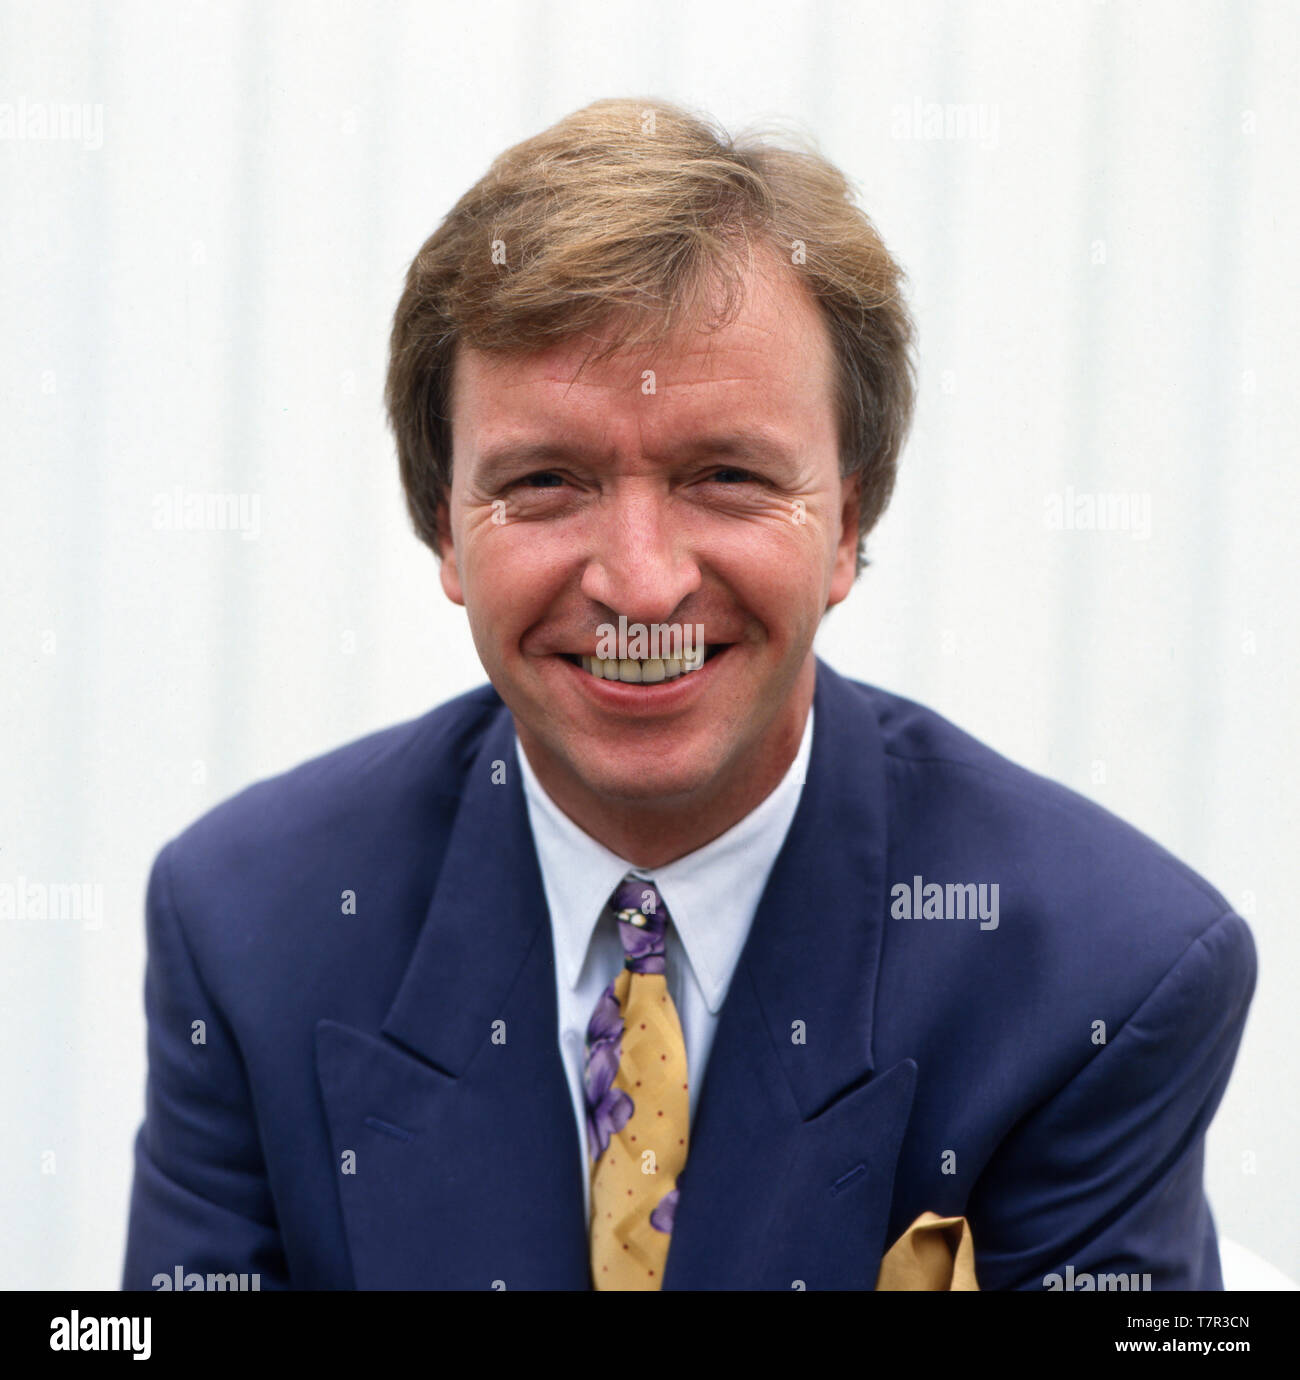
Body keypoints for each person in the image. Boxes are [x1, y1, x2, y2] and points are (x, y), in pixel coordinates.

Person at [122, 97, 1256, 1291]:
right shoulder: (249, 926)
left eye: (725, 475)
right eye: (547, 481)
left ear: (845, 525)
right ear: (444, 530)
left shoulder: (1108, 971)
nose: (643, 584)